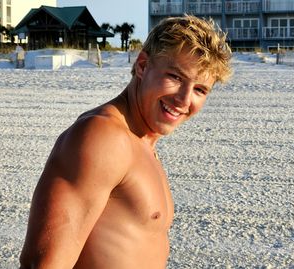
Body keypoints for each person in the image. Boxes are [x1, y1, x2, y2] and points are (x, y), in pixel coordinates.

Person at [19, 15, 232, 269]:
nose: (185, 100)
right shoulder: (103, 137)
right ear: (142, 65)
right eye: (175, 77)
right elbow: (42, 264)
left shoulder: (142, 142)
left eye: (200, 89)